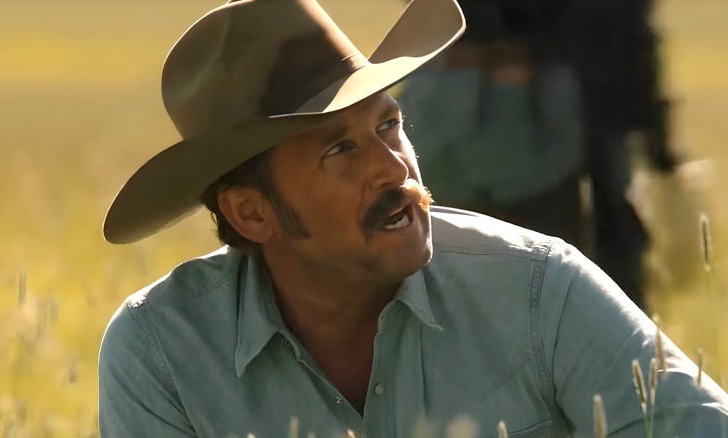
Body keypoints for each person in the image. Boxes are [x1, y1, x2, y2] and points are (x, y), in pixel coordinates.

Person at [97, 1, 728, 437]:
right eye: (339, 149)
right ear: (251, 212)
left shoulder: (540, 289)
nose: (394, 168)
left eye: (390, 125)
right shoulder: (161, 352)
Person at [397, 0, 678, 312]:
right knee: (586, 301)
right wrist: (660, 148)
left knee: (446, 294)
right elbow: (626, 29)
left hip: (442, 102)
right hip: (561, 117)